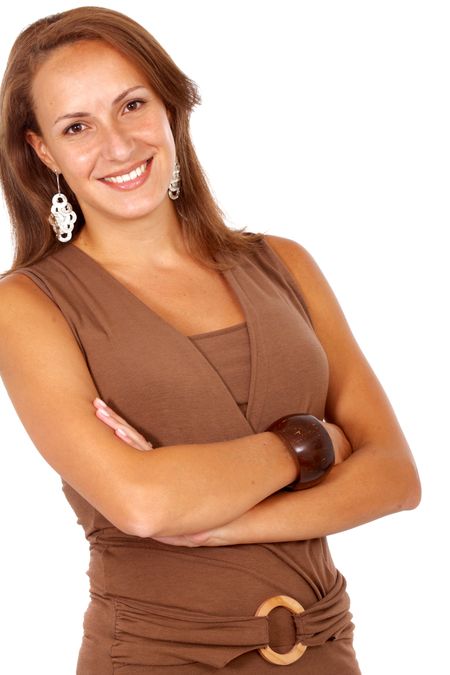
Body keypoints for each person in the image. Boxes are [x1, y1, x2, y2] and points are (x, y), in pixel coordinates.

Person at [0, 6, 421, 674]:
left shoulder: (285, 264)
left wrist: (219, 523)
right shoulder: (27, 304)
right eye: (77, 125)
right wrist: (315, 443)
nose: (116, 144)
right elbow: (143, 503)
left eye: (131, 105)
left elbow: (396, 477)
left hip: (323, 648)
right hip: (152, 656)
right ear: (43, 150)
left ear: (170, 106)